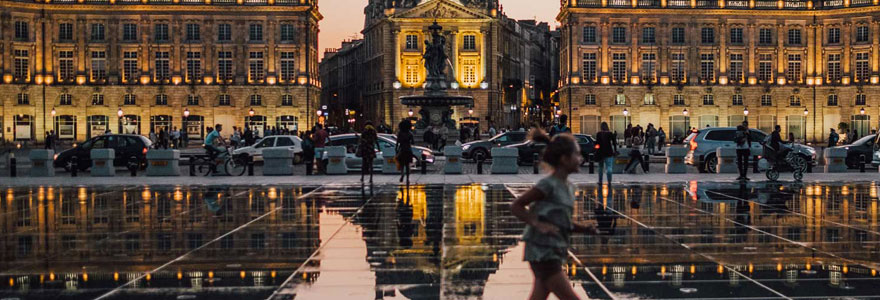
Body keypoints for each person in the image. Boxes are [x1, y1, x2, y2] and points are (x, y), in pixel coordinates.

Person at [509, 131, 599, 300]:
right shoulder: (548, 184)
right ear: (564, 159)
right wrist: (537, 223)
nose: (580, 158)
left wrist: (584, 228)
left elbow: (562, 222)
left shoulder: (570, 187)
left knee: (539, 295)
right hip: (542, 250)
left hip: (555, 249)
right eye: (577, 154)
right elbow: (517, 206)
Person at [396, 120, 415, 184]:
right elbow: (413, 142)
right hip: (408, 150)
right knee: (407, 165)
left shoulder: (400, 133)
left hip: (402, 149)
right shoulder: (410, 133)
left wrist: (396, 149)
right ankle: (407, 178)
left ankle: (402, 174)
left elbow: (397, 142)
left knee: (402, 164)